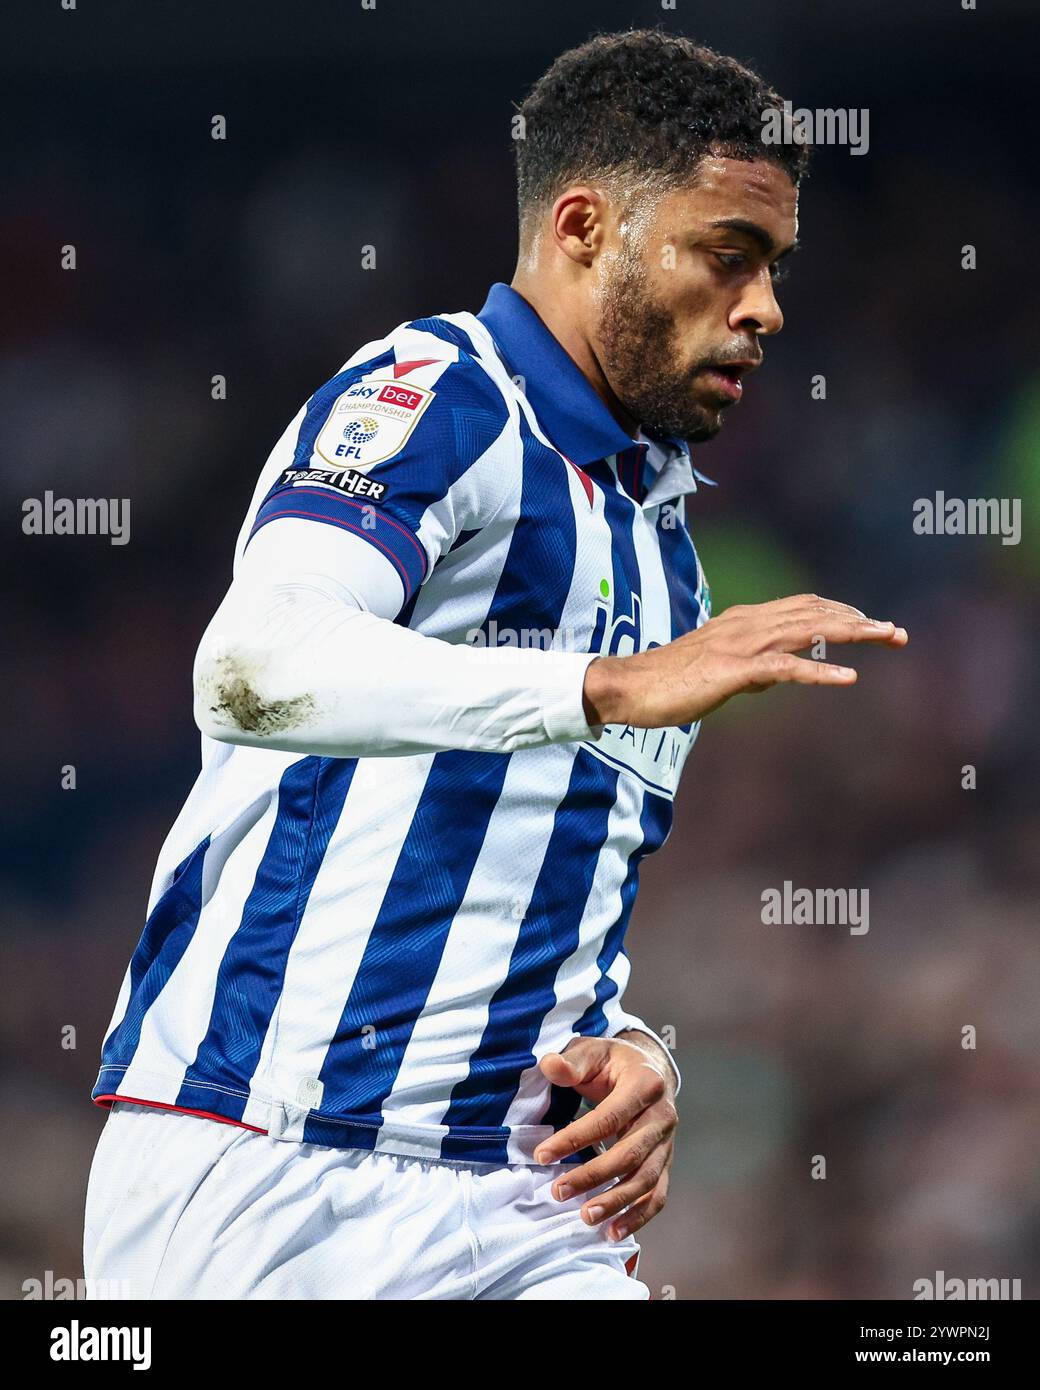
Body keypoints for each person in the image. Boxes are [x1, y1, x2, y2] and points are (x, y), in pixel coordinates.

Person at [83, 29, 906, 1300]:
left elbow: (533, 882)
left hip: (520, 1198)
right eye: (724, 256)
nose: (764, 308)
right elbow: (248, 664)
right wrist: (601, 686)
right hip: (276, 1164)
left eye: (775, 267)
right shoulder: (438, 398)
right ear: (583, 226)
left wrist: (628, 1048)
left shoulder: (662, 548)